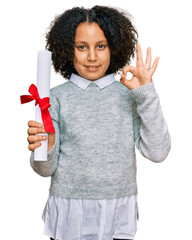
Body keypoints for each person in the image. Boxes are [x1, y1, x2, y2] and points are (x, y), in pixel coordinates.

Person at [27, 5, 171, 240]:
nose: (92, 57)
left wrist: (146, 93)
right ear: (67, 50)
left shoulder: (129, 95)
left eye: (100, 46)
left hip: (117, 214)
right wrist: (48, 143)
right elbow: (44, 169)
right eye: (81, 47)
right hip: (69, 214)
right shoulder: (53, 99)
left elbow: (158, 152)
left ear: (113, 48)